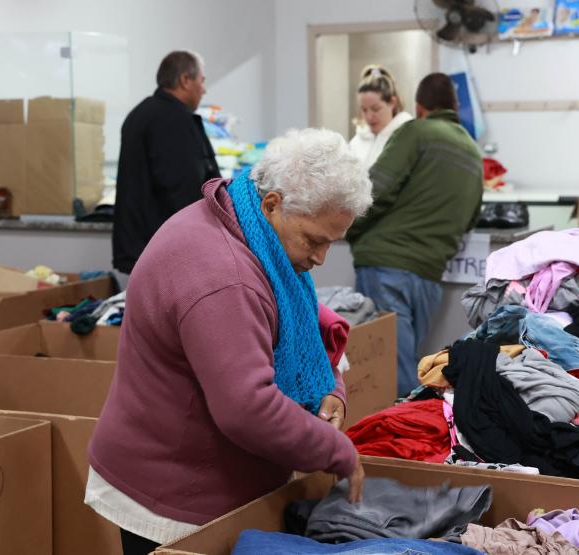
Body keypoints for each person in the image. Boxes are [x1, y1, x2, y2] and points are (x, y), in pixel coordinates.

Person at [87, 128, 371, 554]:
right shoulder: (226, 278)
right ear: (273, 204)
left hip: (207, 481)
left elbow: (310, 331)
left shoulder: (250, 230)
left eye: (332, 242)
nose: (319, 258)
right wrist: (335, 449)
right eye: (315, 240)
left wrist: (332, 389)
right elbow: (247, 408)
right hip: (172, 498)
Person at [346, 72, 483, 397]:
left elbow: (374, 189)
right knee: (406, 366)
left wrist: (347, 230)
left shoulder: (416, 132)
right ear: (454, 105)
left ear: (419, 107)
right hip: (429, 277)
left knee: (387, 376)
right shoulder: (473, 152)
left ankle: (400, 442)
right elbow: (470, 218)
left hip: (385, 266)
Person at [111, 50, 220, 277]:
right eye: (202, 81)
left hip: (143, 247)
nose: (204, 89)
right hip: (166, 250)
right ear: (185, 81)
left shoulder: (141, 114)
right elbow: (183, 191)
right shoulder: (173, 121)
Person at [349, 65, 413, 170]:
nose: (369, 116)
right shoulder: (356, 142)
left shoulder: (408, 138)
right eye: (364, 110)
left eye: (376, 109)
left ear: (392, 103)